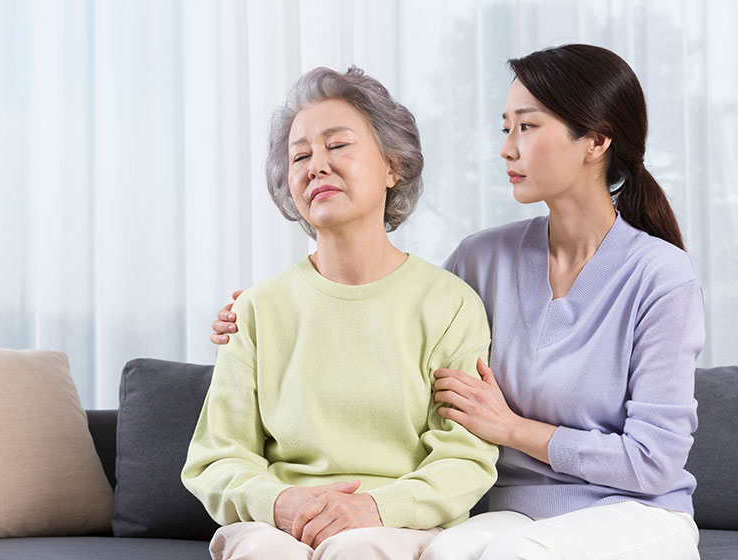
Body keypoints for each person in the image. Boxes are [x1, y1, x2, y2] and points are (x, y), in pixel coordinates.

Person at [211, 44, 705, 559]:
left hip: (634, 510)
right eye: (505, 128)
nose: (507, 149)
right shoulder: (483, 259)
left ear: (596, 140)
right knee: (445, 554)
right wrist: (267, 311)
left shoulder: (661, 276)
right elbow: (393, 308)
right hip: (517, 510)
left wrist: (513, 428)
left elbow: (655, 460)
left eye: (527, 127)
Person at [182, 66, 498, 560]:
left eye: (338, 145)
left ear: (393, 166)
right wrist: (282, 502)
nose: (316, 166)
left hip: (400, 526)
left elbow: (466, 458)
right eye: (300, 155)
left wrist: (375, 507)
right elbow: (216, 458)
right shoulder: (258, 311)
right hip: (281, 526)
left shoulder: (449, 305)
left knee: (357, 550)